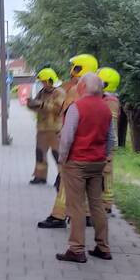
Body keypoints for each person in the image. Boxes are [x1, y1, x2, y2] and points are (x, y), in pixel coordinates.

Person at [55, 73, 116, 263]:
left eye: (79, 85)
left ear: (82, 87)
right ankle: (103, 247)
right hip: (97, 163)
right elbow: (111, 139)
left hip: (77, 163)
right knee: (96, 205)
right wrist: (103, 157)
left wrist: (62, 159)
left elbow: (67, 137)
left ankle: (76, 249)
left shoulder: (77, 107)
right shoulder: (106, 109)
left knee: (77, 206)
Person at [38, 53, 99, 229]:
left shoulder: (75, 91)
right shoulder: (98, 92)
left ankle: (58, 216)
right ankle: (87, 215)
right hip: (94, 149)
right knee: (88, 184)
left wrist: (63, 150)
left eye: (76, 68)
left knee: (65, 180)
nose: (72, 72)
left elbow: (69, 122)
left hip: (75, 147)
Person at [26, 68, 65, 184]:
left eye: (44, 81)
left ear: (50, 80)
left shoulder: (59, 92)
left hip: (55, 129)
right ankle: (40, 176)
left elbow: (58, 109)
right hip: (42, 129)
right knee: (40, 153)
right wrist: (31, 104)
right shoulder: (42, 92)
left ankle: (62, 177)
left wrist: (41, 104)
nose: (42, 84)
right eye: (41, 82)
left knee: (57, 154)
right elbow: (37, 106)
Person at [98, 66, 121, 215]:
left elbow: (110, 127)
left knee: (106, 173)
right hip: (105, 143)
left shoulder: (110, 101)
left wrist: (108, 148)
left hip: (107, 144)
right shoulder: (106, 99)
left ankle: (107, 205)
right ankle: (105, 203)